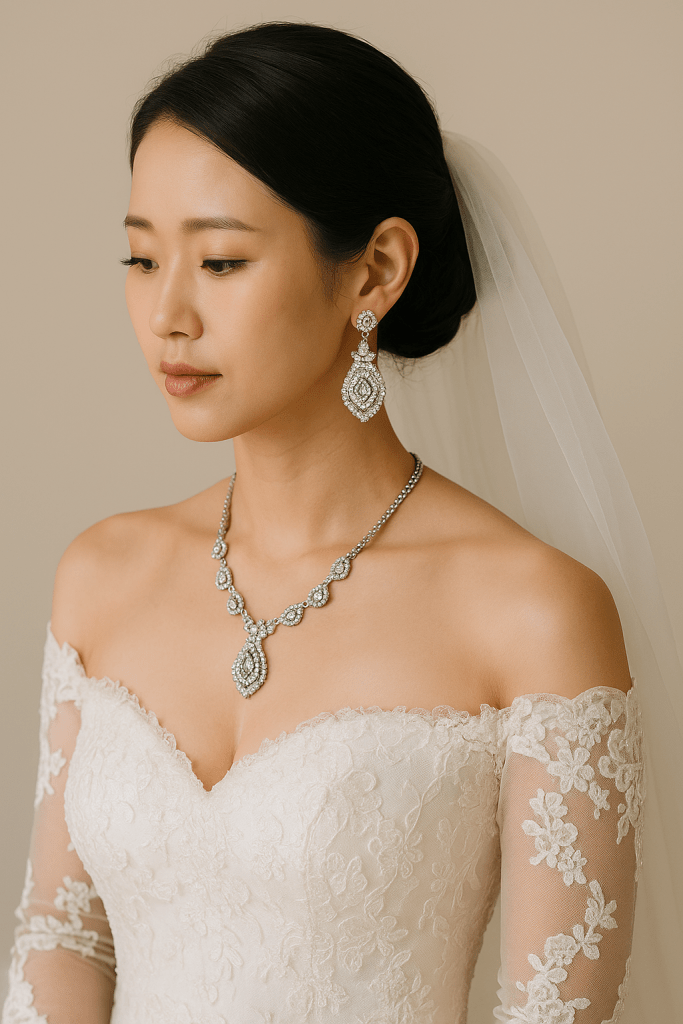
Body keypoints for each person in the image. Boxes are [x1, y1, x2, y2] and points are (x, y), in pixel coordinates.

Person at [2, 20, 679, 1024]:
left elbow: (551, 1011)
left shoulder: (532, 610)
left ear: (374, 272)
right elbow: (62, 934)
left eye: (221, 262)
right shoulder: (102, 574)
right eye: (141, 260)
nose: (167, 315)